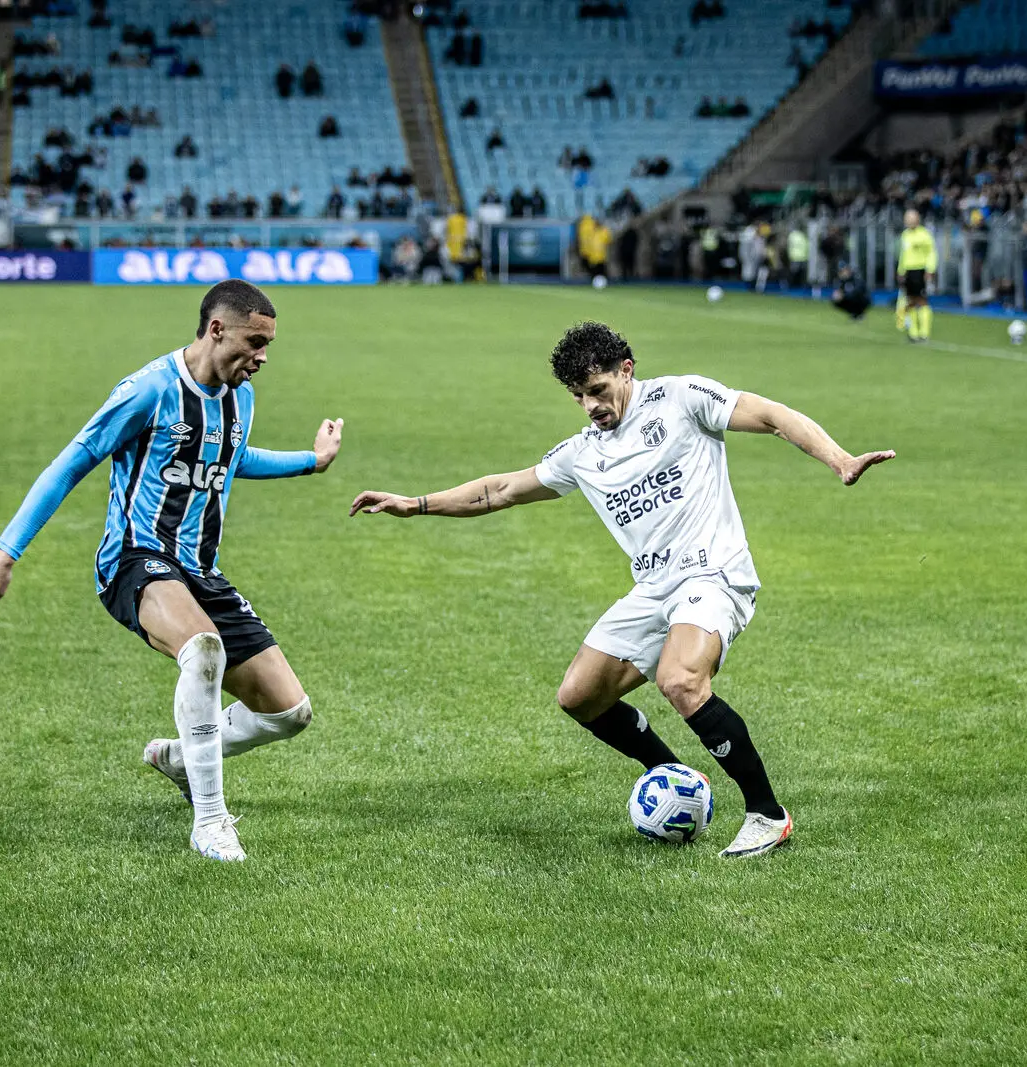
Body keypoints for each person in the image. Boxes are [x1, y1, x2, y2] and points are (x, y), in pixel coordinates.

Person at [349, 323, 894, 858]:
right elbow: (500, 490)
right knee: (581, 697)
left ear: (626, 371)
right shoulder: (583, 452)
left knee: (680, 681)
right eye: (579, 396)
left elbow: (772, 416)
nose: (590, 405)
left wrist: (839, 459)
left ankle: (766, 816)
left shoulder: (682, 398)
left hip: (713, 574)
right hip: (654, 587)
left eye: (598, 390)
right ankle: (670, 774)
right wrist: (415, 504)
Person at [0, 282, 346, 863]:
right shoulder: (149, 390)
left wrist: (310, 462)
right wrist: (4, 556)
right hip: (135, 560)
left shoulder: (240, 396)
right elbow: (71, 463)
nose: (263, 356)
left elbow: (233, 458)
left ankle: (176, 756)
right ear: (217, 330)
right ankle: (210, 821)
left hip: (200, 570)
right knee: (204, 650)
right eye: (255, 342)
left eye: (268, 345)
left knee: (289, 713)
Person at [897, 208, 936, 343]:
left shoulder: (924, 235)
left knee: (922, 300)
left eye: (911, 218)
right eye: (907, 219)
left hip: (920, 270)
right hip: (908, 271)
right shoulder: (905, 235)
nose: (908, 221)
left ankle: (924, 333)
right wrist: (901, 271)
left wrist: (930, 270)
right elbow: (904, 255)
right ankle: (913, 333)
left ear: (917, 219)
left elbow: (931, 252)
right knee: (910, 302)